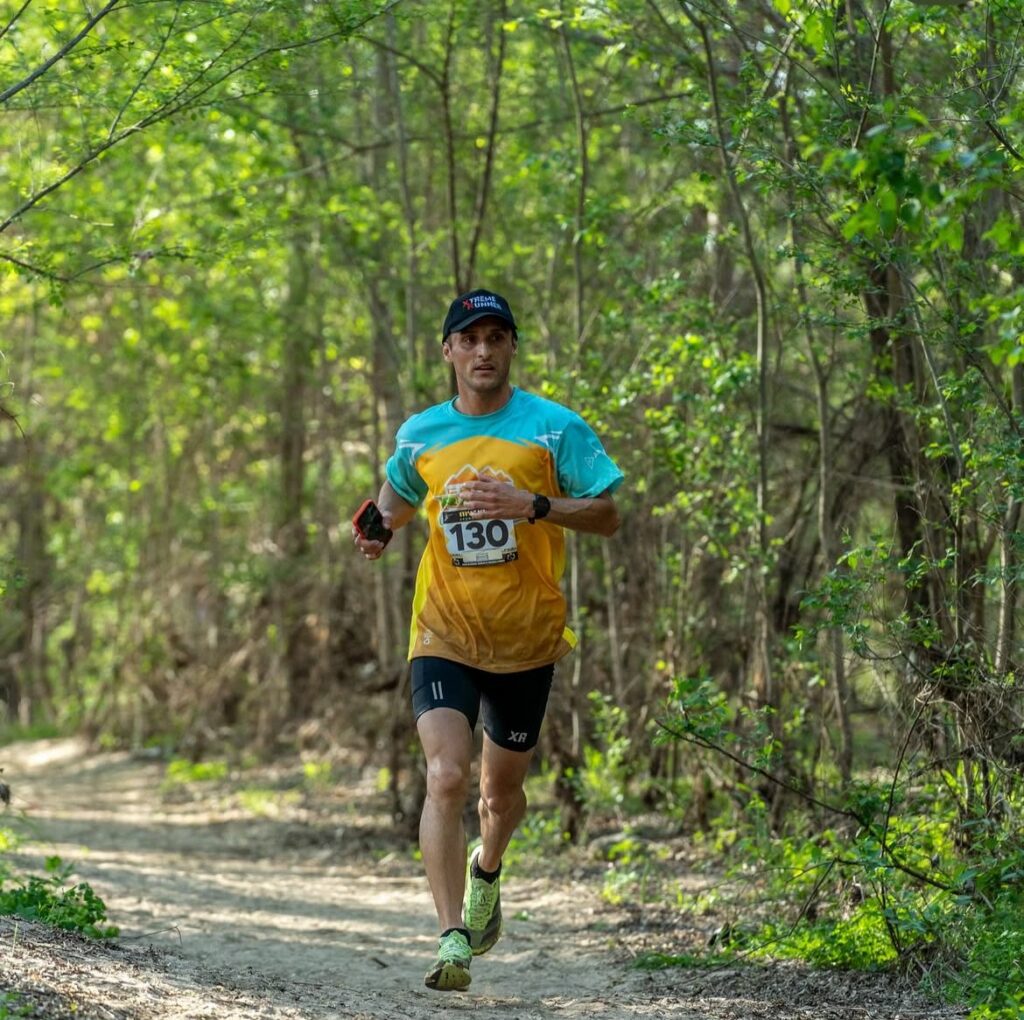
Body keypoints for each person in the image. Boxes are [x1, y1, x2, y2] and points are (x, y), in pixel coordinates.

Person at [353, 288, 623, 992]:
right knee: (446, 774)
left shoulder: (553, 429)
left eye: (495, 338)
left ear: (510, 349)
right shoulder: (420, 434)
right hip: (443, 631)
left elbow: (606, 513)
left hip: (527, 640)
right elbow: (395, 503)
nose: (482, 351)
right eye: (468, 339)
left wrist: (531, 505)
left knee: (499, 798)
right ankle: (451, 940)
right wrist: (377, 531)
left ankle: (487, 871)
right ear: (447, 351)